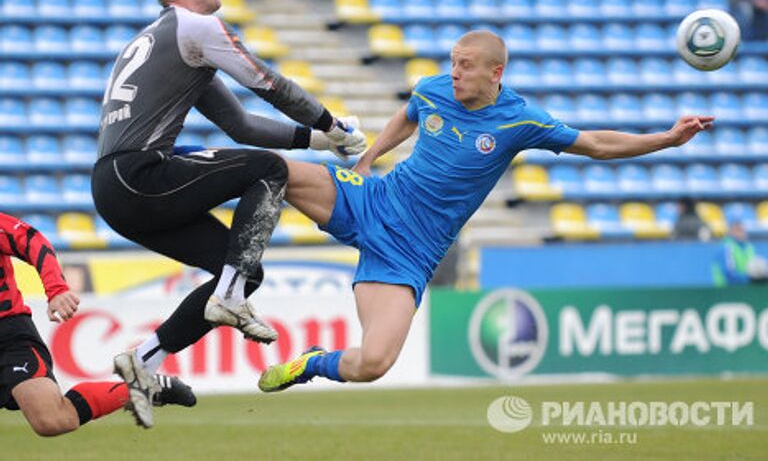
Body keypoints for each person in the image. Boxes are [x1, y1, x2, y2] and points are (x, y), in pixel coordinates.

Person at [256, 30, 714, 393]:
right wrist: (369, 157)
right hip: (372, 201)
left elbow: (594, 143)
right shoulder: (436, 88)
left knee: (373, 363)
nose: (454, 73)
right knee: (269, 169)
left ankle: (311, 362)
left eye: (466, 65)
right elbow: (409, 113)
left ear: (496, 73)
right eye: (453, 62)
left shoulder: (519, 120)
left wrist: (665, 139)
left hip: (409, 254)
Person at [91, 0, 366, 427]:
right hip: (140, 174)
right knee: (269, 169)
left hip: (117, 188)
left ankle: (146, 360)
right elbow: (271, 85)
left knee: (243, 267)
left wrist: (319, 141)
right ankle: (230, 297)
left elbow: (239, 124)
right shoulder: (196, 27)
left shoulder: (169, 41)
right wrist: (335, 125)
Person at [0, 212, 196, 436]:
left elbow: (31, 240)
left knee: (52, 420)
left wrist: (56, 289)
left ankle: (140, 387)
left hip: (7, 335)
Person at [712, 221, 768, 287]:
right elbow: (728, 273)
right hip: (726, 291)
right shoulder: (726, 247)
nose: (741, 233)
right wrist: (751, 278)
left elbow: (753, 268)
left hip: (744, 289)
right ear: (730, 232)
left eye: (743, 230)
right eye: (737, 230)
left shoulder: (749, 247)